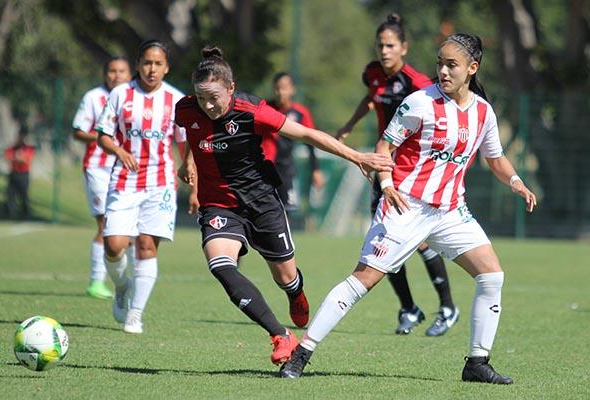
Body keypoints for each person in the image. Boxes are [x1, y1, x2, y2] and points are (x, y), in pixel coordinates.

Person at [280, 32, 537, 384]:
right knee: (364, 280)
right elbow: (384, 148)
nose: (443, 71)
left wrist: (516, 182)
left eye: (452, 65)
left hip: (449, 211)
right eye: (440, 64)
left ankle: (477, 363)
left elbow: (495, 158)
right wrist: (386, 187)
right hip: (406, 206)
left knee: (492, 275)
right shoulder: (419, 103)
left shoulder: (482, 112)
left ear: (472, 68)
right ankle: (301, 353)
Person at [175, 46, 393, 366]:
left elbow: (306, 134)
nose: (207, 105)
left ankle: (294, 292)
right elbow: (195, 135)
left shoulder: (252, 110)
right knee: (221, 266)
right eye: (201, 97)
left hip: (262, 202)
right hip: (219, 205)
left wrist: (357, 156)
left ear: (231, 89)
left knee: (285, 276)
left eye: (214, 97)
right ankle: (280, 334)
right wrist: (187, 162)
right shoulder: (186, 109)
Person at [336, 13, 459, 336]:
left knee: (419, 240)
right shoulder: (373, 74)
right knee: (383, 238)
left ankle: (447, 306)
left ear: (404, 48)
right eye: (380, 45)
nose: (385, 50)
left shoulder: (417, 83)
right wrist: (350, 124)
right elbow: (371, 99)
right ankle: (409, 308)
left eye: (390, 45)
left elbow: (445, 113)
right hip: (384, 165)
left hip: (414, 168)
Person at [95, 39, 186, 334]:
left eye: (158, 64)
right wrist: (119, 152)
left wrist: (191, 174)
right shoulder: (121, 94)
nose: (152, 69)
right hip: (124, 181)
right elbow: (104, 135)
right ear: (138, 65)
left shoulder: (176, 100)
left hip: (160, 184)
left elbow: (185, 142)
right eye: (147, 62)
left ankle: (135, 313)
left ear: (167, 68)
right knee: (113, 244)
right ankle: (123, 286)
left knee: (147, 246)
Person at [72, 56, 133, 300]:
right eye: (111, 71)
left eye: (122, 71)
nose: (116, 75)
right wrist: (105, 137)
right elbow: (78, 131)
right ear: (105, 73)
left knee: (127, 230)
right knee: (106, 224)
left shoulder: (135, 97)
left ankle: (126, 279)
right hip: (98, 168)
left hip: (127, 169)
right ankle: (96, 282)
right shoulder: (93, 97)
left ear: (130, 74)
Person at [268, 72, 325, 213]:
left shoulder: (300, 113)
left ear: (293, 89)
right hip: (264, 168)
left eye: (285, 88)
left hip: (286, 169)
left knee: (286, 211)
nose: (281, 92)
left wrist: (316, 170)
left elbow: (311, 143)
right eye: (277, 88)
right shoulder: (265, 109)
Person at [4, 127, 35, 219]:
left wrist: (17, 158)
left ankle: (26, 215)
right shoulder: (13, 148)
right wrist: (18, 157)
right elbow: (8, 157)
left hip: (23, 174)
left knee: (24, 196)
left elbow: (26, 160)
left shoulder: (28, 148)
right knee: (10, 194)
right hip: (14, 173)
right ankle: (9, 215)